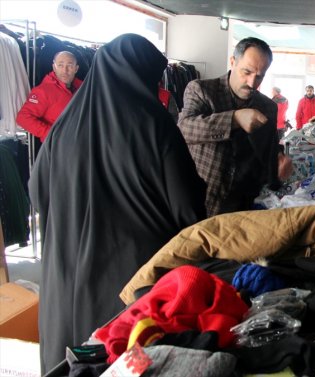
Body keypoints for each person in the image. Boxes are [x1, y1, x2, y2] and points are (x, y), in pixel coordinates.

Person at [28, 33, 207, 373]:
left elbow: (37, 195)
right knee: (119, 362)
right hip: (129, 287)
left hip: (65, 278)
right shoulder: (156, 126)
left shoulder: (63, 127)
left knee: (69, 366)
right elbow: (188, 211)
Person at [178, 37, 292, 216]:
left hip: (244, 205)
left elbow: (270, 146)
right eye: (246, 72)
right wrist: (234, 119)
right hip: (201, 200)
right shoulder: (201, 90)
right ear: (233, 62)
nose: (252, 83)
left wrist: (279, 159)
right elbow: (185, 129)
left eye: (260, 76)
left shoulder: (268, 107)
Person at [16, 50, 83, 142]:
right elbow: (23, 118)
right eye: (60, 65)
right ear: (54, 67)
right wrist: (53, 134)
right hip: (57, 147)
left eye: (70, 66)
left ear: (76, 68)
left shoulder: (83, 88)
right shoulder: (43, 91)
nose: (65, 70)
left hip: (80, 143)